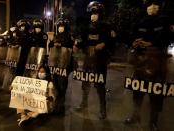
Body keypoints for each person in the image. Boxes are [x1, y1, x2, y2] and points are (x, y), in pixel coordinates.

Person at [124, 0, 171, 130]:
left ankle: (153, 121)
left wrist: (151, 43)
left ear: (159, 6)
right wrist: (134, 43)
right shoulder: (140, 21)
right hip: (140, 61)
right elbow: (130, 37)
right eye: (149, 4)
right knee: (137, 90)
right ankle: (136, 115)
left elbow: (168, 37)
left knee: (155, 93)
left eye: (155, 4)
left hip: (157, 61)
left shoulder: (165, 21)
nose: (152, 7)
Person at [73, 1, 115, 119]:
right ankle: (84, 103)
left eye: (96, 13)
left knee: (100, 84)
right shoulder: (85, 27)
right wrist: (77, 45)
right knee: (85, 82)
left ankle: (103, 108)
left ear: (100, 14)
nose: (93, 15)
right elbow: (82, 40)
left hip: (100, 60)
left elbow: (113, 41)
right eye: (92, 13)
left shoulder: (106, 27)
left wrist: (104, 44)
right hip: (87, 59)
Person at [48, 17, 74, 114]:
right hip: (55, 65)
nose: (60, 28)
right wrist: (53, 43)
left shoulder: (69, 36)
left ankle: (61, 106)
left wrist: (61, 44)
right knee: (55, 85)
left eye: (62, 26)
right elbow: (50, 46)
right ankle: (56, 104)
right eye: (59, 26)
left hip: (64, 66)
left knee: (63, 86)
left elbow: (70, 48)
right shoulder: (56, 35)